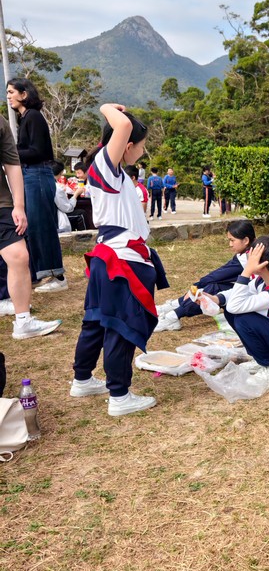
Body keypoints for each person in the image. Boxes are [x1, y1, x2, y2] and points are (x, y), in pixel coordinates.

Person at [70, 104, 169, 416]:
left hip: (110, 256)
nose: (143, 151)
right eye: (141, 145)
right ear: (127, 145)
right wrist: (106, 107)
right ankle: (119, 395)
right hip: (121, 259)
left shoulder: (112, 172)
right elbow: (122, 126)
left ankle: (82, 379)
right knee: (120, 325)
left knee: (96, 320)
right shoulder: (105, 165)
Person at [199, 233, 269, 382]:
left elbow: (235, 305)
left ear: (262, 264)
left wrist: (246, 271)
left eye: (253, 256)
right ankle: (261, 359)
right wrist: (217, 299)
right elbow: (238, 294)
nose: (248, 258)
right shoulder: (262, 281)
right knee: (233, 313)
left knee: (243, 318)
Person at [0, 114, 62, 336]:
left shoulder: (1, 122)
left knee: (19, 256)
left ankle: (23, 322)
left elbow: (12, 163)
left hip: (2, 204)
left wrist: (18, 205)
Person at [6, 76, 68, 292]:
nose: (8, 96)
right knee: (31, 227)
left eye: (11, 92)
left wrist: (10, 153)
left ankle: (56, 276)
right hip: (29, 175)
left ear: (24, 94)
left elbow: (38, 152)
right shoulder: (25, 118)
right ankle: (37, 274)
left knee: (43, 226)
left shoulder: (33, 116)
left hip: (38, 174)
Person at [154, 220, 257, 332]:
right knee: (212, 286)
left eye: (232, 240)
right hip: (252, 291)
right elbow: (220, 273)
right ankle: (173, 308)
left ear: (246, 240)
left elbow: (218, 275)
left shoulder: (246, 258)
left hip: (255, 297)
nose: (230, 244)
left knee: (213, 288)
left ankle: (173, 316)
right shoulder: (249, 252)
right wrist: (196, 287)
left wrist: (196, 286)